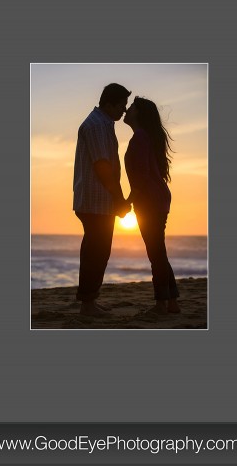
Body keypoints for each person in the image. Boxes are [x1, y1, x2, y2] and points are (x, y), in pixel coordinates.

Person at [72, 83, 132, 316]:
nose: (123, 111)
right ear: (109, 104)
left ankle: (89, 301)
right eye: (121, 106)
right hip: (96, 200)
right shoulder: (97, 126)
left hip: (96, 200)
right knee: (96, 251)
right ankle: (88, 304)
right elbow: (102, 165)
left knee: (96, 250)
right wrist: (118, 198)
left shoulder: (102, 123)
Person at [123, 97, 180, 314]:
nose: (127, 110)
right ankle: (171, 302)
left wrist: (127, 201)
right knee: (158, 251)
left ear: (139, 114)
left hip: (149, 201)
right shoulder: (144, 137)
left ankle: (161, 304)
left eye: (132, 107)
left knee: (155, 252)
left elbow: (141, 176)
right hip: (156, 199)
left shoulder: (139, 138)